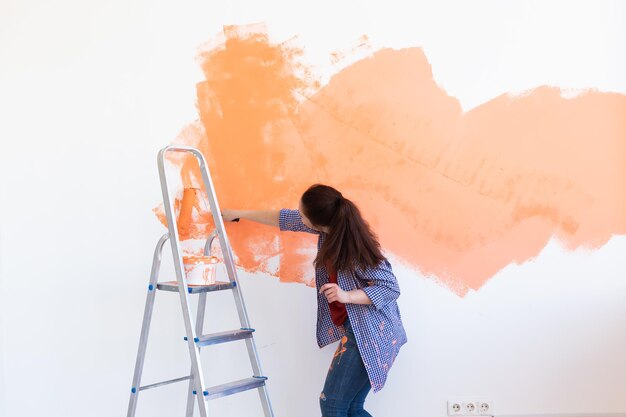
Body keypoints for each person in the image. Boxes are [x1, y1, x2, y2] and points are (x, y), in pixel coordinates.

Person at [221, 184, 407, 417]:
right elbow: (282, 217)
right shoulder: (331, 229)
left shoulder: (353, 248)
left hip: (371, 335)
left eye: (303, 214)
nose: (298, 216)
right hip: (362, 330)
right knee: (351, 408)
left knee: (332, 405)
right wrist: (237, 213)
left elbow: (390, 287)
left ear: (316, 222)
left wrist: (346, 295)